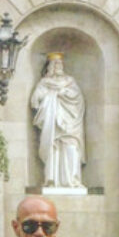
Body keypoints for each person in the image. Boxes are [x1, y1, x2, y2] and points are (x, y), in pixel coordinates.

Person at [30, 52, 86, 191]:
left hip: (70, 122)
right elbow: (35, 100)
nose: (58, 66)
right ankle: (52, 180)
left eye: (60, 63)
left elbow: (78, 99)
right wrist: (49, 96)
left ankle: (72, 180)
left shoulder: (70, 81)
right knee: (52, 150)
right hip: (52, 123)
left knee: (71, 149)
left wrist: (63, 93)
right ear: (50, 66)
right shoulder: (44, 82)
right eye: (55, 64)